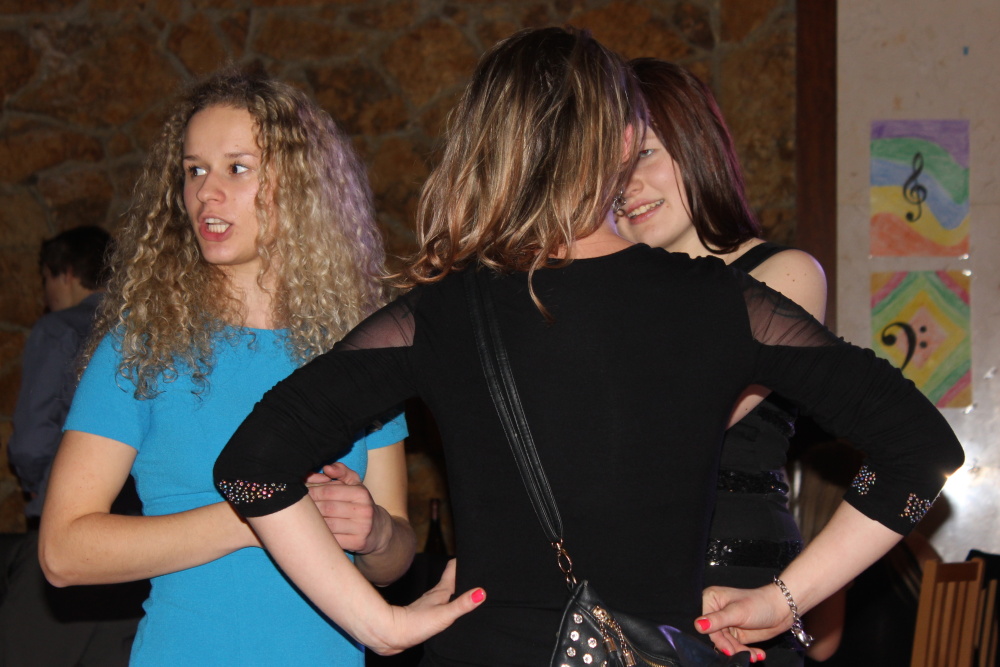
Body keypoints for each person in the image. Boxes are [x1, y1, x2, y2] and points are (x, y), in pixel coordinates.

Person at [211, 27, 964, 665]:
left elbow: (251, 469)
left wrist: (376, 623)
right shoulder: (722, 304)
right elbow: (921, 452)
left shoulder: (442, 312)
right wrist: (784, 598)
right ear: (626, 141)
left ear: (487, 147)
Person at [37, 69, 454, 665]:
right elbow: (62, 552)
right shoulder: (143, 344)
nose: (206, 192)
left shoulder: (361, 348)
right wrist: (261, 512)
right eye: (194, 170)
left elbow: (390, 564)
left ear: (302, 187)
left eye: (237, 168)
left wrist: (376, 532)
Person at [612, 58, 827, 666]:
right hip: (626, 588)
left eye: (645, 155)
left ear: (697, 146)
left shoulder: (784, 274)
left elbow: (676, 423)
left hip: (741, 593)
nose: (626, 187)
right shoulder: (612, 295)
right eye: (607, 171)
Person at [2, 225, 147, 667]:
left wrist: (38, 484)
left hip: (70, 527)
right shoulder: (145, 329)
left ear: (65, 273)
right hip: (141, 535)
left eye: (46, 279)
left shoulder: (58, 329)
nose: (46, 294)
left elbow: (32, 437)